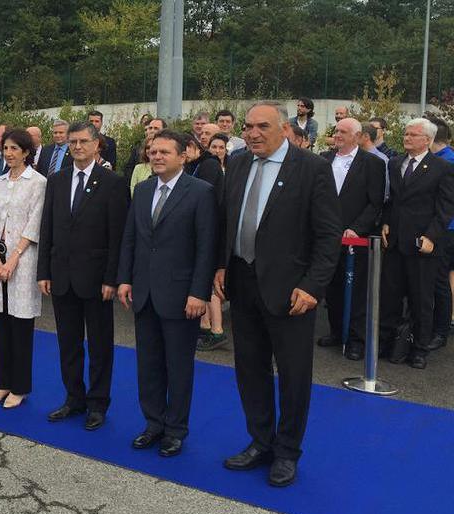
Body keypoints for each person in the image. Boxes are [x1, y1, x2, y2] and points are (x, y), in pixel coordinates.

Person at [214, 101, 341, 487]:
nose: (252, 133)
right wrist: (220, 265)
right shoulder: (236, 163)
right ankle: (261, 441)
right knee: (249, 370)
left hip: (291, 292)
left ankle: (287, 451)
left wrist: (312, 285)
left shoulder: (311, 169)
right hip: (243, 282)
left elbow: (328, 235)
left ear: (284, 128)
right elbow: (226, 221)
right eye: (248, 126)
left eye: (262, 126)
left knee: (293, 375)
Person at [117, 129, 216, 457]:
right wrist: (125, 279)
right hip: (144, 292)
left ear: (183, 155)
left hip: (181, 296)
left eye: (164, 152)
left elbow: (206, 248)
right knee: (148, 364)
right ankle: (153, 423)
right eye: (152, 151)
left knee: (178, 366)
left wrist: (199, 292)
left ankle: (175, 429)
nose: (156, 156)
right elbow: (130, 237)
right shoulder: (143, 190)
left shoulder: (201, 192)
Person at [37, 121, 129, 430]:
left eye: (83, 142)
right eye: (73, 142)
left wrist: (111, 279)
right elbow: (47, 228)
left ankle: (98, 404)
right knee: (68, 343)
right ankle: (73, 398)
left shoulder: (112, 182)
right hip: (62, 275)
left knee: (100, 345)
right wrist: (44, 271)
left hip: (96, 279)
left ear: (96, 145)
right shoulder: (58, 180)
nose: (77, 147)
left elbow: (117, 236)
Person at [380, 118, 454, 369]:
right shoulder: (395, 163)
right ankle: (387, 341)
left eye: (413, 135)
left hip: (423, 244)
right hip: (395, 241)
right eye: (406, 133)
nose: (406, 138)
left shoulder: (441, 168)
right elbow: (392, 201)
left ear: (427, 140)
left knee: (421, 298)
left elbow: (445, 208)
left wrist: (432, 236)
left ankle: (420, 348)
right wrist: (386, 222)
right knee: (389, 296)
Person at [0, 129, 47, 408]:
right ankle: (2, 383)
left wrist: (13, 258)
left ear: (26, 152)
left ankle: (19, 387)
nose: (8, 153)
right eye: (5, 148)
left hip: (23, 260)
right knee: (0, 324)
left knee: (20, 326)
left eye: (14, 149)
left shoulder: (38, 183)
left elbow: (34, 224)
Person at [318, 118, 386, 361]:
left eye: (343, 132)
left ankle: (356, 339)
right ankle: (337, 331)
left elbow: (375, 202)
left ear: (357, 137)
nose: (338, 135)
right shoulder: (323, 159)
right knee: (332, 287)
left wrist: (357, 228)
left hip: (354, 237)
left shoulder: (372, 164)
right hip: (326, 235)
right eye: (336, 131)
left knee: (356, 290)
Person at [182, 133, 226, 351]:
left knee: (209, 286)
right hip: (203, 227)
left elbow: (205, 200)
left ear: (191, 147)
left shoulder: (208, 166)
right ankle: (206, 325)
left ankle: (216, 329)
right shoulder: (200, 164)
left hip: (209, 227)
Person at [428, 116, 454, 350]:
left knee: (440, 281)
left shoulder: (448, 162)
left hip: (446, 231)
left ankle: (440, 330)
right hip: (438, 228)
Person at [123, 117, 166, 184]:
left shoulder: (171, 148)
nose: (152, 131)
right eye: (150, 128)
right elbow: (129, 168)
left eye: (156, 128)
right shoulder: (138, 148)